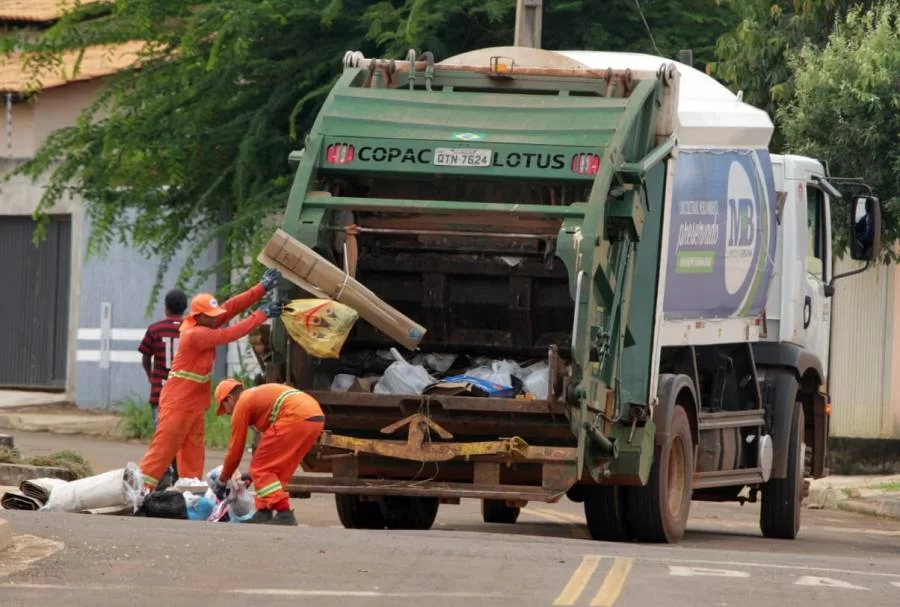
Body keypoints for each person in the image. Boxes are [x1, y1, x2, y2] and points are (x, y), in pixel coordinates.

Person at [138, 268, 283, 491]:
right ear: (200, 316)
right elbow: (229, 335)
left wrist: (260, 288)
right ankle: (139, 493)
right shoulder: (195, 334)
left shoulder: (206, 322)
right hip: (178, 403)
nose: (218, 318)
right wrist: (260, 315)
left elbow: (232, 306)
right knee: (163, 451)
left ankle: (190, 494)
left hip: (194, 404)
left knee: (193, 454)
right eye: (212, 316)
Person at [211, 379, 325, 526]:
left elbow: (235, 451)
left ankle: (284, 513)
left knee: (260, 468)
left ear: (230, 399)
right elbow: (268, 447)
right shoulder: (257, 398)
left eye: (224, 407)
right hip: (314, 418)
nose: (227, 413)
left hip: (295, 416)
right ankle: (264, 511)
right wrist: (252, 476)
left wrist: (223, 479)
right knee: (275, 470)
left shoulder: (242, 403)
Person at [138, 288, 187, 486]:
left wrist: (151, 376)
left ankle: (161, 476)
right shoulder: (191, 329)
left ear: (166, 308)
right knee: (182, 436)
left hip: (160, 393)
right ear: (184, 308)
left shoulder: (155, 329)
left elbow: (145, 356)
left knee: (162, 436)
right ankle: (180, 475)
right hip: (184, 394)